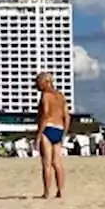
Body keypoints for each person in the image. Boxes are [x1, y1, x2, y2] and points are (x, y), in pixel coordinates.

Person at [34, 71, 70, 199]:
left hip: (48, 128)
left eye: (38, 82)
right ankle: (60, 190)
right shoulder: (60, 96)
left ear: (46, 82)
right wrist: (64, 132)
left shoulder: (45, 96)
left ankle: (47, 192)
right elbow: (67, 115)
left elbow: (45, 115)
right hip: (59, 128)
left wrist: (38, 135)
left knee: (47, 163)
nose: (36, 84)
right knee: (57, 163)